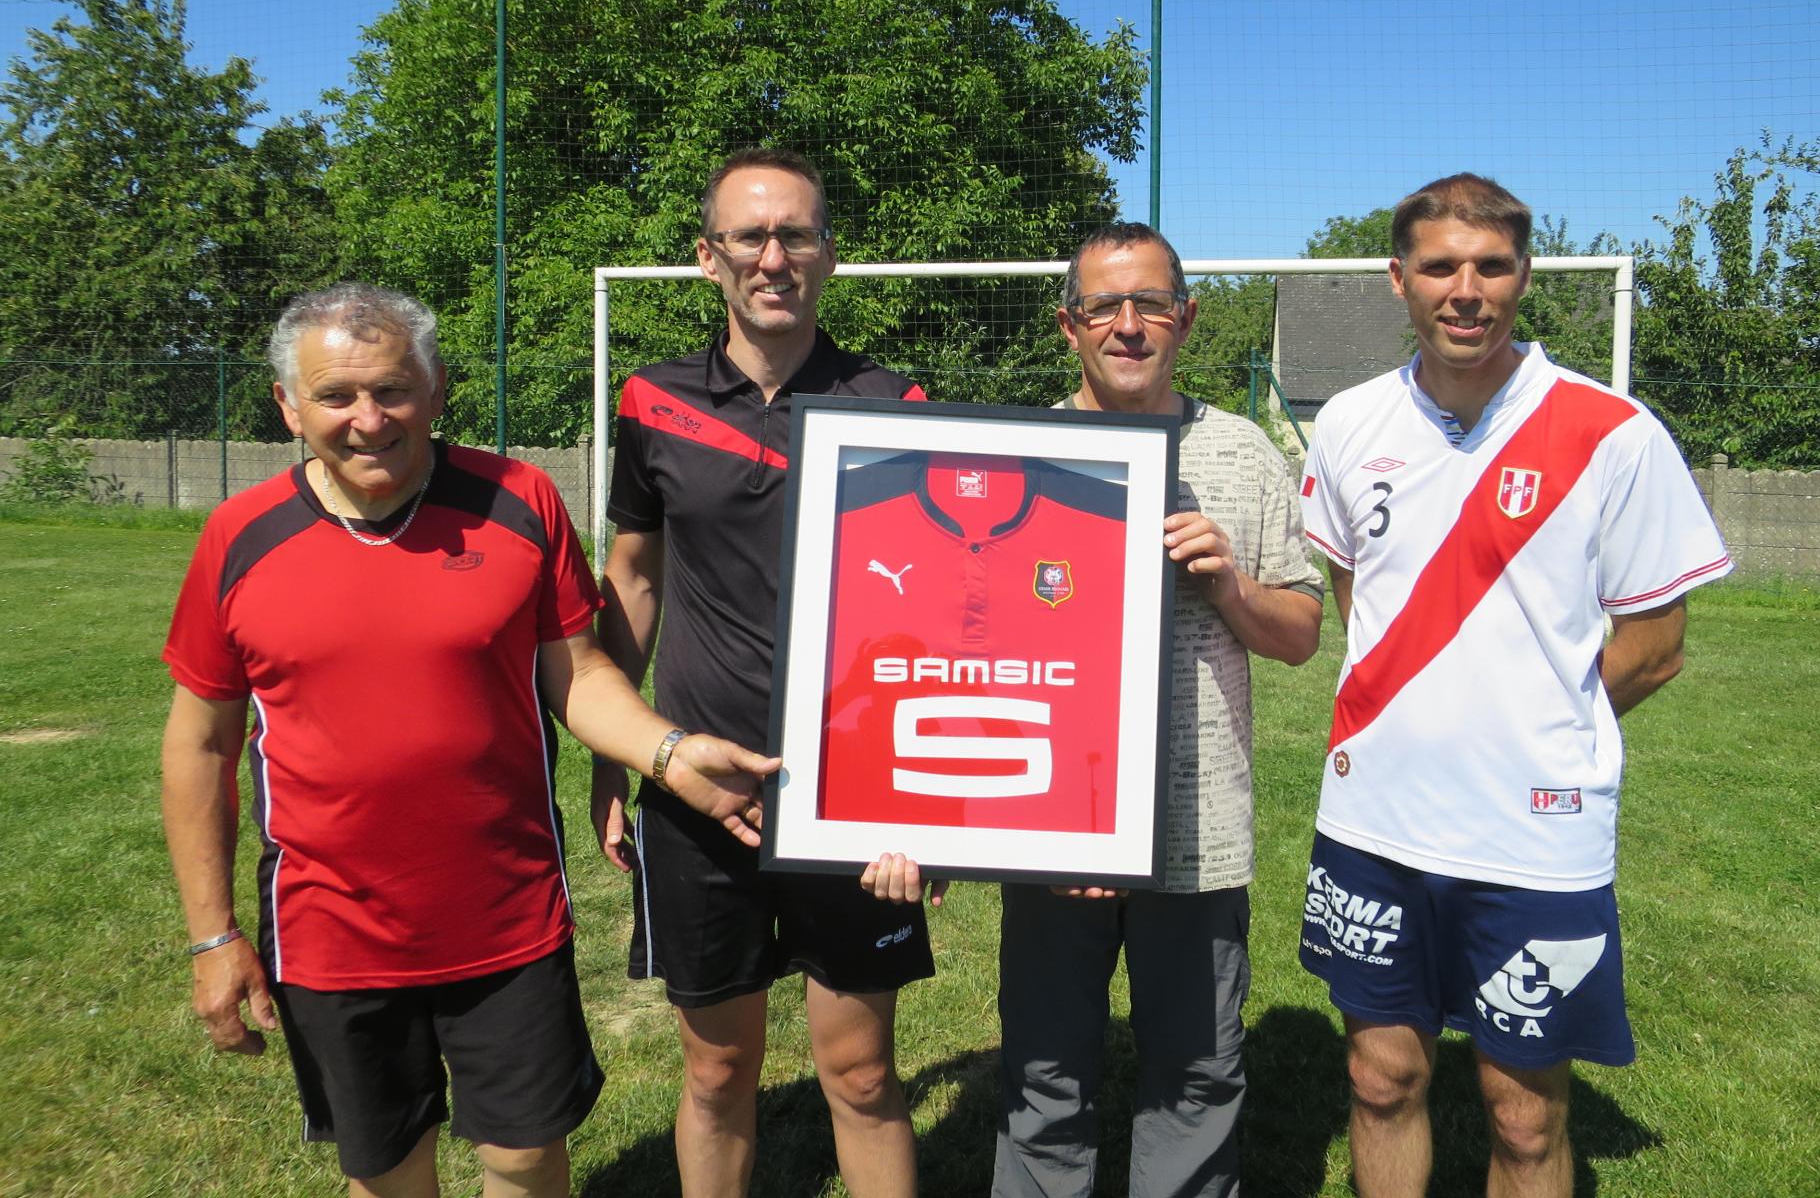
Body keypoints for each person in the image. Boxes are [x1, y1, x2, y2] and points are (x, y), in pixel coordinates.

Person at [160, 282, 779, 1198]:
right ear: (289, 407)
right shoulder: (239, 537)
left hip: (507, 920)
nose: (368, 419)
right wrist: (212, 938)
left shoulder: (518, 500)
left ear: (438, 388)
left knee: (527, 1157)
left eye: (393, 390)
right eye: (336, 396)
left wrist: (669, 752)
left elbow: (581, 674)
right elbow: (200, 746)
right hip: (330, 930)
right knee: (387, 1169)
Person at [864, 222, 1325, 1196]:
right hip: (1050, 834)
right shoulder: (1014, 460)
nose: (1129, 326)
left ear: (1186, 318)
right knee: (1043, 1080)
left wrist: (1232, 587)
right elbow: (957, 652)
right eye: (1103, 306)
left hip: (1197, 841)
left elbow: (1301, 632)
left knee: (1198, 1081)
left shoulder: (1241, 454)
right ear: (1067, 324)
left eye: (1152, 303)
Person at [1295, 174, 1733, 1198]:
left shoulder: (1611, 431)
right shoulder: (1351, 424)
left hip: (1535, 837)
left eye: (1492, 267)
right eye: (1441, 267)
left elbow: (1658, 643)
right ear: (1398, 280)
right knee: (1380, 1075)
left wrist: (1533, 729)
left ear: (1523, 278)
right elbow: (1361, 601)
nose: (1467, 290)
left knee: (1524, 1116)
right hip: (1375, 823)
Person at [592, 148, 933, 1198]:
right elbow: (633, 578)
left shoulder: (898, 402)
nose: (773, 257)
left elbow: (930, 609)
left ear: (830, 253)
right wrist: (618, 761)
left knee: (864, 1073)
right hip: (700, 783)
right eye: (750, 235)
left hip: (853, 792)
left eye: (796, 234)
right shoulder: (652, 401)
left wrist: (923, 800)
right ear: (711, 257)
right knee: (717, 1068)